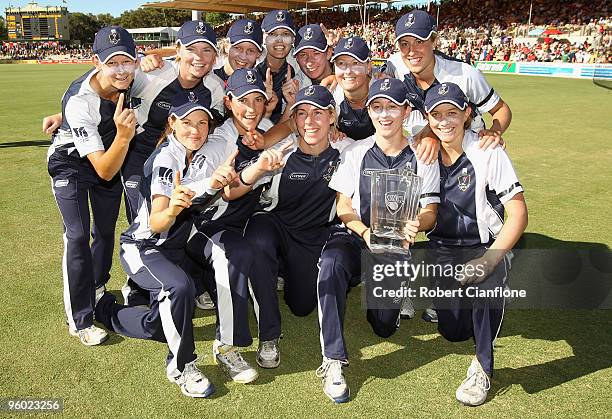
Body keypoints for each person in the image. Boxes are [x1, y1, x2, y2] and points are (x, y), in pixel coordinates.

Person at [315, 78, 440, 403]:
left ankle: (398, 284)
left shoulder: (423, 156)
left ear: (406, 111)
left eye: (392, 107)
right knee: (330, 265)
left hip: (394, 245)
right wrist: (366, 233)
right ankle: (332, 359)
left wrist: (417, 223)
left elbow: (431, 211)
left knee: (384, 327)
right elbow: (343, 206)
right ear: (369, 111)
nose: (384, 115)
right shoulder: (357, 152)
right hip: (356, 237)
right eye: (377, 107)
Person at [95, 86, 225, 397]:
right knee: (179, 288)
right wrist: (173, 208)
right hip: (145, 246)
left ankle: (105, 311)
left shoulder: (198, 154)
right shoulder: (166, 158)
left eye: (202, 123)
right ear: (172, 123)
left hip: (172, 247)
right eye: (186, 122)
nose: (195, 130)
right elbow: (156, 222)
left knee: (158, 325)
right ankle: (182, 367)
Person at [422, 82, 527, 406]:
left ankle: (482, 366)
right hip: (443, 248)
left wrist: (490, 260)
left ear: (467, 114)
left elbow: (518, 213)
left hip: (485, 245)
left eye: (452, 113)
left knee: (487, 284)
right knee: (453, 331)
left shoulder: (487, 150)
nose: (444, 121)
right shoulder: (425, 152)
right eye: (437, 115)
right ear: (428, 118)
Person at [184, 68, 287, 383]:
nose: (252, 108)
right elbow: (194, 192)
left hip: (244, 220)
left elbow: (299, 126)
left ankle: (269, 334)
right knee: (234, 254)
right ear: (229, 102)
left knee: (259, 246)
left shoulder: (269, 129)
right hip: (206, 224)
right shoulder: (217, 142)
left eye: (258, 99)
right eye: (244, 100)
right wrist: (227, 178)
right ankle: (225, 345)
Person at [242, 85, 354, 369]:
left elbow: (392, 143)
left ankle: (283, 271)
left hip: (314, 238)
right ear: (294, 119)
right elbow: (237, 187)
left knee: (301, 306)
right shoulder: (281, 151)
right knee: (258, 238)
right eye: (302, 113)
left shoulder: (348, 151)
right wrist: (258, 169)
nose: (309, 121)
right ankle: (268, 333)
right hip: (275, 227)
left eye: (318, 113)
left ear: (332, 116)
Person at [47, 26, 138, 346]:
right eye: (113, 62)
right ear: (97, 62)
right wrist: (124, 136)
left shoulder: (128, 78)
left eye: (128, 60)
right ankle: (80, 318)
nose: (122, 69)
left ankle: (97, 285)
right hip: (71, 163)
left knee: (105, 230)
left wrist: (157, 58)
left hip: (107, 155)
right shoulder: (78, 102)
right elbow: (103, 168)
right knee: (77, 235)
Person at [384, 10, 512, 150]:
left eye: (419, 41)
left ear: (434, 42)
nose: (411, 51)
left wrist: (494, 131)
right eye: (404, 44)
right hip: (429, 149)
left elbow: (501, 109)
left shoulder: (464, 74)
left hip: (470, 147)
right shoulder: (395, 65)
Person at [256, 9, 303, 123]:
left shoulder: (300, 66)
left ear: (293, 39)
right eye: (272, 34)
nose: (279, 40)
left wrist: (331, 77)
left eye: (286, 34)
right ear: (263, 38)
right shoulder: (252, 65)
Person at [214, 18, 264, 84]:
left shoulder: (261, 82)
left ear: (258, 54)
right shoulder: (208, 80)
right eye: (238, 48)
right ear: (226, 47)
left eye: (250, 51)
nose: (243, 57)